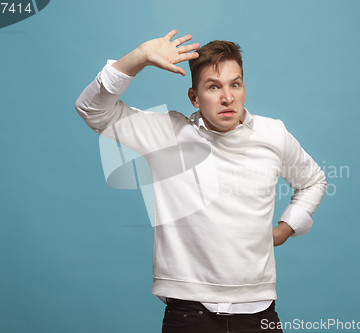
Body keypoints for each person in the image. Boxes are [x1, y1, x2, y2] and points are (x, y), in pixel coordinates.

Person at [75, 30, 327, 333]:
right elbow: (92, 109)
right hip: (189, 314)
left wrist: (286, 228)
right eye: (213, 87)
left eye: (235, 84)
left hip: (258, 312)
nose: (227, 97)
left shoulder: (273, 134)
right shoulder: (169, 135)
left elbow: (313, 181)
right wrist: (139, 57)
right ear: (194, 97)